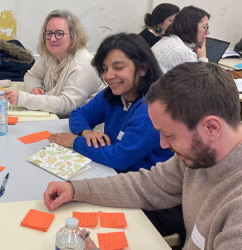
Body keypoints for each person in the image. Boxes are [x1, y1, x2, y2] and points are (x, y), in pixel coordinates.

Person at [44, 62, 242, 250]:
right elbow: (146, 185)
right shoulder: (197, 158)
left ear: (211, 127)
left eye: (170, 135)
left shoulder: (236, 209)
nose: (163, 144)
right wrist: (75, 189)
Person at [48, 33, 173, 172]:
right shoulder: (113, 95)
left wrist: (75, 141)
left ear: (143, 69)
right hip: (113, 173)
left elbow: (119, 158)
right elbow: (79, 114)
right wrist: (86, 132)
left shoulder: (153, 108)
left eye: (118, 68)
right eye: (105, 69)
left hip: (144, 186)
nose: (108, 76)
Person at [4, 10, 105, 117]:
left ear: (73, 36)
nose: (52, 39)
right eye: (49, 33)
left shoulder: (84, 64)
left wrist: (23, 98)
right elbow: (31, 76)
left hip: (86, 127)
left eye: (59, 34)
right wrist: (36, 88)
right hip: (57, 119)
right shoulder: (50, 55)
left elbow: (66, 105)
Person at [152, 6, 210, 73]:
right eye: (204, 27)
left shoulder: (168, 39)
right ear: (190, 26)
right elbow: (201, 81)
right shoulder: (184, 53)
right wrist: (202, 57)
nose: (208, 32)